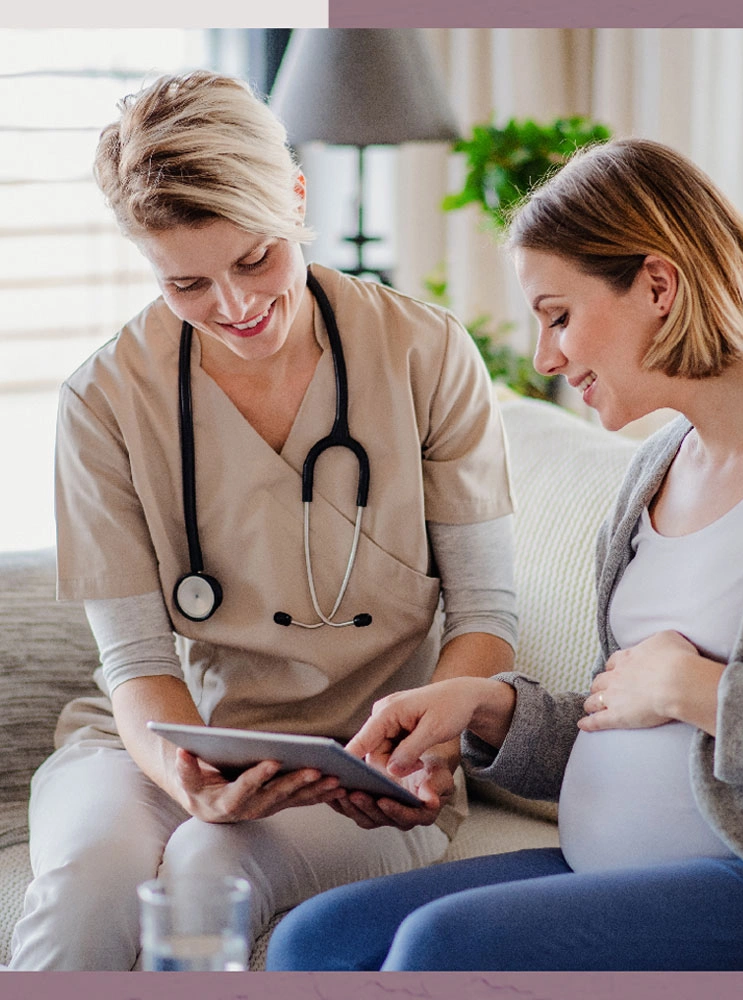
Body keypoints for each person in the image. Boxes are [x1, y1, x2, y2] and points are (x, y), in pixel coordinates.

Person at [265, 137, 743, 973]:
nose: (545, 359)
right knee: (314, 940)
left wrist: (701, 689)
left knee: (441, 950)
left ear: (659, 286)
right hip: (615, 868)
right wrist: (488, 708)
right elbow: (629, 719)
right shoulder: (658, 465)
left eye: (559, 315)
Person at [8, 71, 518, 971]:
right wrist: (185, 778)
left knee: (212, 868)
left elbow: (486, 616)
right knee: (91, 874)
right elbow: (136, 663)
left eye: (256, 260)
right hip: (164, 743)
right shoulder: (104, 398)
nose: (235, 308)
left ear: (296, 197)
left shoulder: (425, 353)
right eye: (187, 284)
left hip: (363, 761)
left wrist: (425, 745)